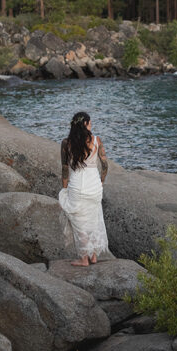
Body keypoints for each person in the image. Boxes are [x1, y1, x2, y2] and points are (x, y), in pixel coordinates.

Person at [58, 111, 110, 266]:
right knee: (94, 220)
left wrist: (64, 188)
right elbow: (105, 165)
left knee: (79, 223)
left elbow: (65, 169)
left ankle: (83, 259)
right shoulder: (96, 141)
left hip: (76, 187)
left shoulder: (66, 143)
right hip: (94, 186)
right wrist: (101, 181)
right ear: (85, 124)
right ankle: (93, 256)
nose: (91, 124)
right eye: (90, 122)